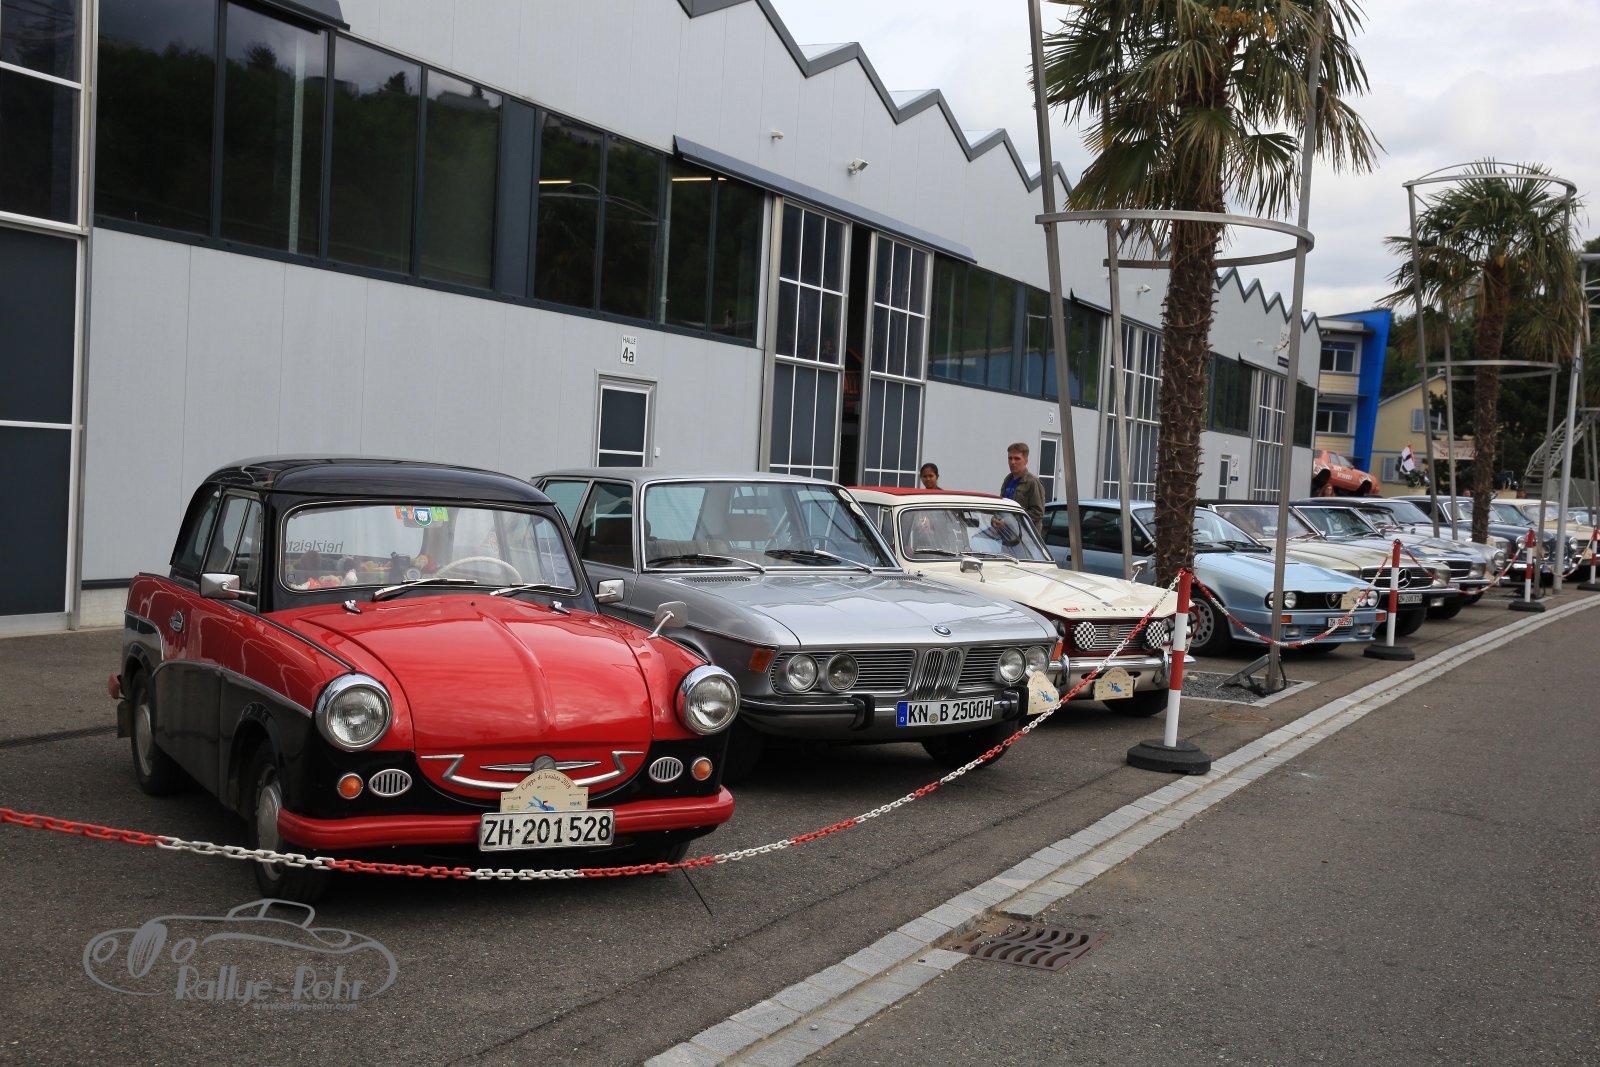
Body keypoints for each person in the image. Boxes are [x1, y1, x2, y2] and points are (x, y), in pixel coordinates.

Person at [999, 442, 1044, 533]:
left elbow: (1037, 513)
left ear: (1026, 461)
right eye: (1010, 458)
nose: (1013, 462)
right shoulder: (1007, 480)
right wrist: (996, 518)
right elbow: (1001, 506)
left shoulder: (1033, 482)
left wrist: (1010, 521)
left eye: (1017, 458)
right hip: (1006, 535)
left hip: (1025, 537)